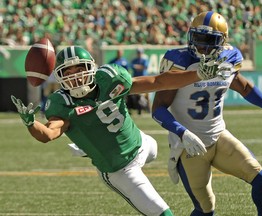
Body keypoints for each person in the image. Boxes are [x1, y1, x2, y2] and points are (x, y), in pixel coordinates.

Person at [11, 46, 223, 216]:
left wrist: (197, 74)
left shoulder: (110, 78)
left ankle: (89, 144)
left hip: (141, 143)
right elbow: (49, 134)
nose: (75, 77)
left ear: (92, 68)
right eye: (68, 72)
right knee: (163, 213)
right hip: (119, 169)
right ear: (59, 76)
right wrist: (31, 123)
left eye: (80, 69)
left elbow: (159, 82)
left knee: (155, 148)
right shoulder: (62, 103)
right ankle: (90, 145)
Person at [152, 11, 262, 216]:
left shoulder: (228, 58)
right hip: (189, 147)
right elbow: (158, 108)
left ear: (222, 41)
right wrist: (182, 132)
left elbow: (245, 88)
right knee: (206, 210)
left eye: (208, 40)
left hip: (218, 136)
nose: (201, 46)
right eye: (197, 38)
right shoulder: (179, 61)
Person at [127, 48, 150, 114]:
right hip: (136, 79)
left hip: (143, 79)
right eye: (138, 52)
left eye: (140, 52)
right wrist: (139, 67)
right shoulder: (135, 60)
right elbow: (131, 66)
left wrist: (137, 67)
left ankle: (149, 109)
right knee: (135, 94)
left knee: (146, 95)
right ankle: (137, 109)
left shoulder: (144, 60)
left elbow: (144, 67)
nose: (139, 54)